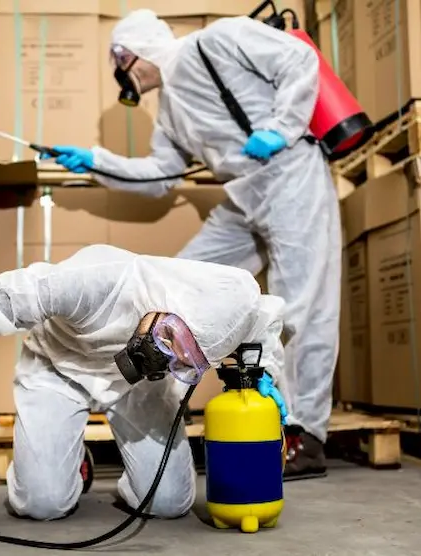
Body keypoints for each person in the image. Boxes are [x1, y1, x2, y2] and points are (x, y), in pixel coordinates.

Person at [43, 10, 340, 480]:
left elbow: (299, 58)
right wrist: (93, 162)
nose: (124, 76)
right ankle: (173, 415)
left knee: (303, 306)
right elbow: (159, 178)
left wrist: (281, 128)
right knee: (179, 282)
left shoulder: (219, 39)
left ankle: (305, 436)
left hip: (291, 176)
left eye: (122, 62)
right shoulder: (170, 111)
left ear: (134, 51)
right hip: (244, 194)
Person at [0, 244, 288, 521]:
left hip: (140, 385)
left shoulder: (231, 312)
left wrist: (266, 374)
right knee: (42, 504)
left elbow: (267, 320)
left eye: (185, 362)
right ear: (167, 305)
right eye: (168, 339)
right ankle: (69, 464)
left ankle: (131, 477)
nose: (170, 356)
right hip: (58, 367)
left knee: (168, 504)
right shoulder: (94, 280)